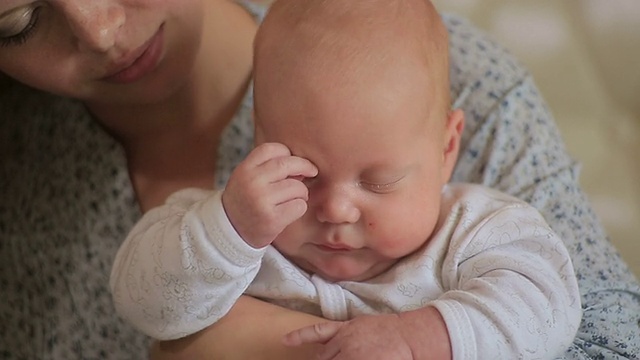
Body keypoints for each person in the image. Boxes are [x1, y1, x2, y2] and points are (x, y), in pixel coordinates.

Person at [0, 0, 638, 359]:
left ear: (449, 148)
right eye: (16, 21)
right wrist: (227, 232)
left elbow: (555, 306)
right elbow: (141, 297)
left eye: (380, 182)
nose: (334, 208)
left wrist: (427, 339)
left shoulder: (477, 233)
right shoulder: (233, 232)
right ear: (258, 136)